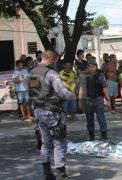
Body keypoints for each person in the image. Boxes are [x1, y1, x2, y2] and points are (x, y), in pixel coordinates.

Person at [29, 50, 75, 179]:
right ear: (52, 59)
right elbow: (62, 92)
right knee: (59, 142)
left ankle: (47, 173)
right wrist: (72, 94)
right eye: (56, 60)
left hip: (38, 110)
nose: (57, 63)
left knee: (45, 143)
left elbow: (33, 91)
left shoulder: (33, 72)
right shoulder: (51, 73)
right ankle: (61, 173)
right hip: (52, 111)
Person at [79, 57, 110, 141]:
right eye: (89, 66)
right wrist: (80, 101)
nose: (91, 68)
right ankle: (91, 136)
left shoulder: (100, 75)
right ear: (87, 67)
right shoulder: (84, 76)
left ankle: (104, 136)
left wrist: (108, 100)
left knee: (101, 119)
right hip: (88, 100)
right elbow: (81, 89)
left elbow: (104, 87)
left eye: (93, 66)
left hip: (98, 99)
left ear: (96, 67)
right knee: (89, 120)